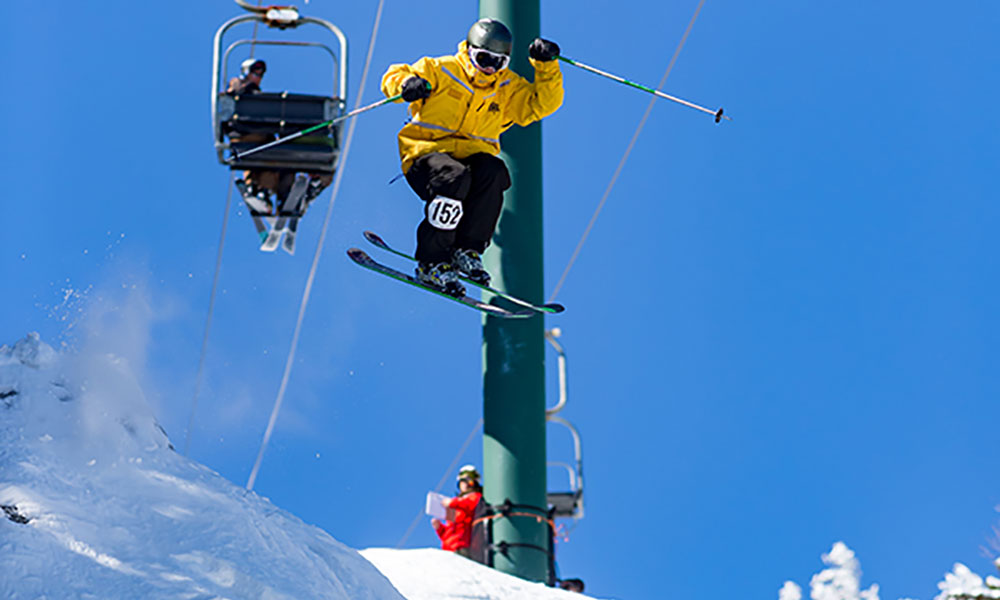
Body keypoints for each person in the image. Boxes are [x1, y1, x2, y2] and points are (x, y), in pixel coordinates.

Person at [381, 18, 563, 296]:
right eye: (484, 58)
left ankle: (466, 249)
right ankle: (432, 261)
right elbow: (394, 76)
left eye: (498, 62)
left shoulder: (506, 88)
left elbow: (541, 103)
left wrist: (546, 66)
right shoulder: (441, 69)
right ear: (468, 50)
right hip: (426, 155)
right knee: (454, 178)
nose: (490, 68)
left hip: (473, 160)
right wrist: (408, 84)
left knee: (494, 172)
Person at [226, 59, 332, 215]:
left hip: (263, 145)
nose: (258, 76)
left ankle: (283, 196)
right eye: (255, 72)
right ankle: (268, 193)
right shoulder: (240, 90)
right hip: (252, 139)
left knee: (282, 161)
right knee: (270, 156)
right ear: (245, 72)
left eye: (261, 73)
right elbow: (234, 97)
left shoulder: (257, 101)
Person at [431, 465, 483, 558]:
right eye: (462, 482)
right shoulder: (457, 503)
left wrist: (452, 502)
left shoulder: (474, 497)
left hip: (463, 547)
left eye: (468, 481)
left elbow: (469, 504)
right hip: (448, 548)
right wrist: (439, 528)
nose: (465, 484)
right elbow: (449, 531)